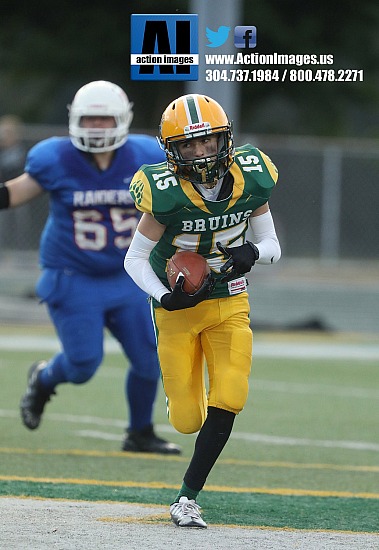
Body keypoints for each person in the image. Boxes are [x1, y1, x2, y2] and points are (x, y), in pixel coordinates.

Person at [124, 93, 281, 528]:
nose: (199, 152)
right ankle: (180, 415)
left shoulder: (252, 177)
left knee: (230, 394)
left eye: (207, 142)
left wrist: (253, 252)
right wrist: (165, 296)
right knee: (187, 420)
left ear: (224, 140)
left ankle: (186, 497)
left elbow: (272, 244)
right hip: (178, 310)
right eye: (188, 146)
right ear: (171, 150)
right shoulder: (164, 190)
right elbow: (134, 258)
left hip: (230, 300)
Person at [0, 80, 181, 455]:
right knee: (83, 365)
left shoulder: (147, 155)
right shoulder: (55, 158)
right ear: (75, 120)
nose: (97, 127)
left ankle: (139, 432)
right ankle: (44, 378)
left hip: (127, 273)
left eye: (104, 119)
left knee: (151, 356)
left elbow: (179, 201)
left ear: (121, 120)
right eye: (90, 119)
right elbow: (15, 193)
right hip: (72, 274)